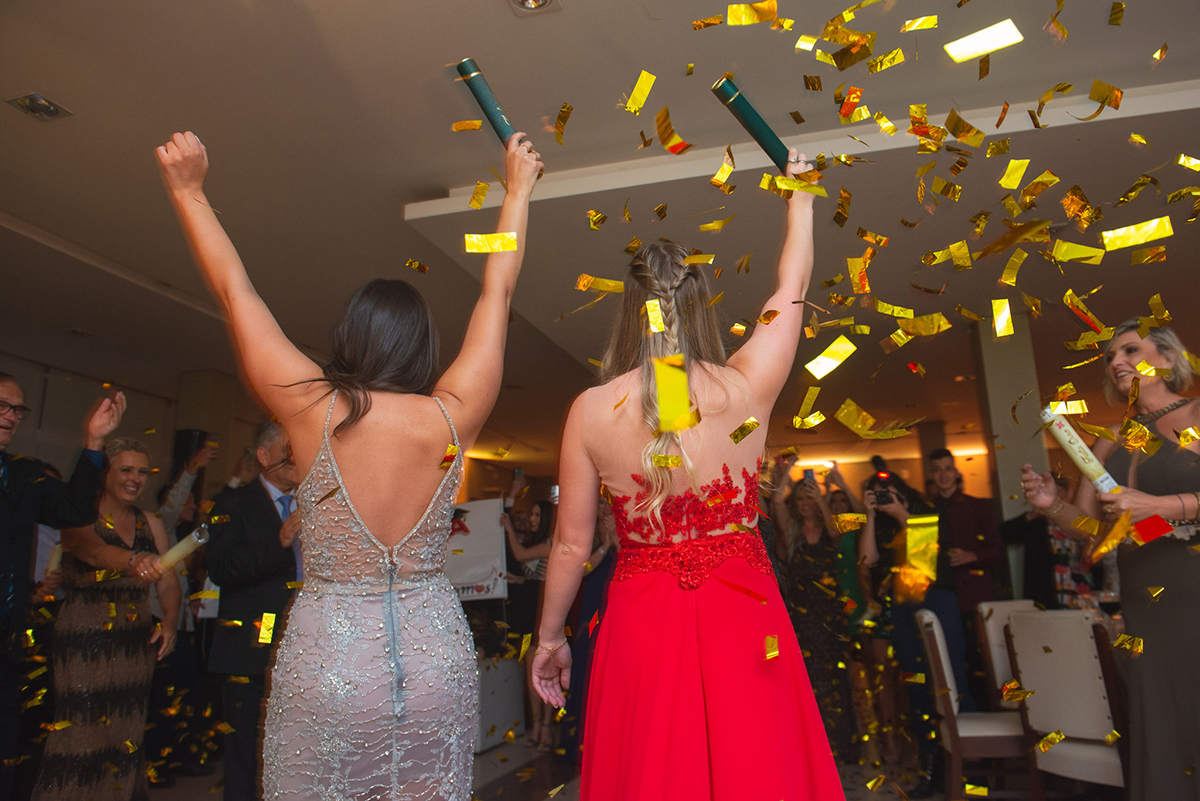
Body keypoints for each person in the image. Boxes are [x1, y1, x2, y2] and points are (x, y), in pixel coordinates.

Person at [156, 128, 542, 799]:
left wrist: (188, 191)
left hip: (332, 660)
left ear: (349, 336)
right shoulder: (452, 414)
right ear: (423, 345)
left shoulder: (313, 411)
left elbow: (234, 290)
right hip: (433, 659)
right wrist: (516, 193)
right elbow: (497, 293)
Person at [532, 149, 844, 800]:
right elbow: (792, 287)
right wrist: (802, 198)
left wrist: (549, 637)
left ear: (631, 307)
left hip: (642, 622)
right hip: (744, 608)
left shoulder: (591, 412)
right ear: (701, 305)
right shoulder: (747, 384)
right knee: (759, 768)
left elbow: (570, 545)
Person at [1022, 320, 1200, 801]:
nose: (1116, 360)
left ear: (1166, 359)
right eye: (1109, 356)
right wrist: (1050, 505)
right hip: (1145, 606)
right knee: (1158, 724)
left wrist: (1162, 507)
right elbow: (1095, 531)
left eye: (1129, 350)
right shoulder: (1109, 439)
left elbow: (1155, 510)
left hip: (1195, 589)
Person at [32, 438, 180, 801]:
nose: (136, 479)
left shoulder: (151, 522)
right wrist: (132, 561)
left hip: (134, 643)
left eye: (143, 472)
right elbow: (92, 552)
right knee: (80, 735)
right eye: (126, 470)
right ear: (105, 473)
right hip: (84, 639)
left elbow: (169, 582)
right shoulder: (78, 511)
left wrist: (171, 623)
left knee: (124, 734)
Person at [0, 374, 125, 797]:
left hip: (8, 638)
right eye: (2, 404)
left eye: (17, 409)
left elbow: (73, 509)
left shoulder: (23, 475)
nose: (10, 416)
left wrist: (93, 442)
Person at [205, 421, 301, 801]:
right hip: (252, 642)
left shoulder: (312, 503)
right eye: (288, 452)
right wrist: (278, 541)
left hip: (301, 646)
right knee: (245, 748)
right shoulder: (233, 503)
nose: (297, 459)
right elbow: (221, 567)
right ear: (264, 457)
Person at [774, 469, 854, 761]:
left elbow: (835, 532)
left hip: (830, 614)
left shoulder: (830, 529)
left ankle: (840, 746)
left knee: (835, 675)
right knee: (806, 678)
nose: (805, 504)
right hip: (801, 615)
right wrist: (786, 472)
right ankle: (811, 747)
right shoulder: (792, 532)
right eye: (801, 499)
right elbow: (777, 503)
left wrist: (820, 497)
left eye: (809, 498)